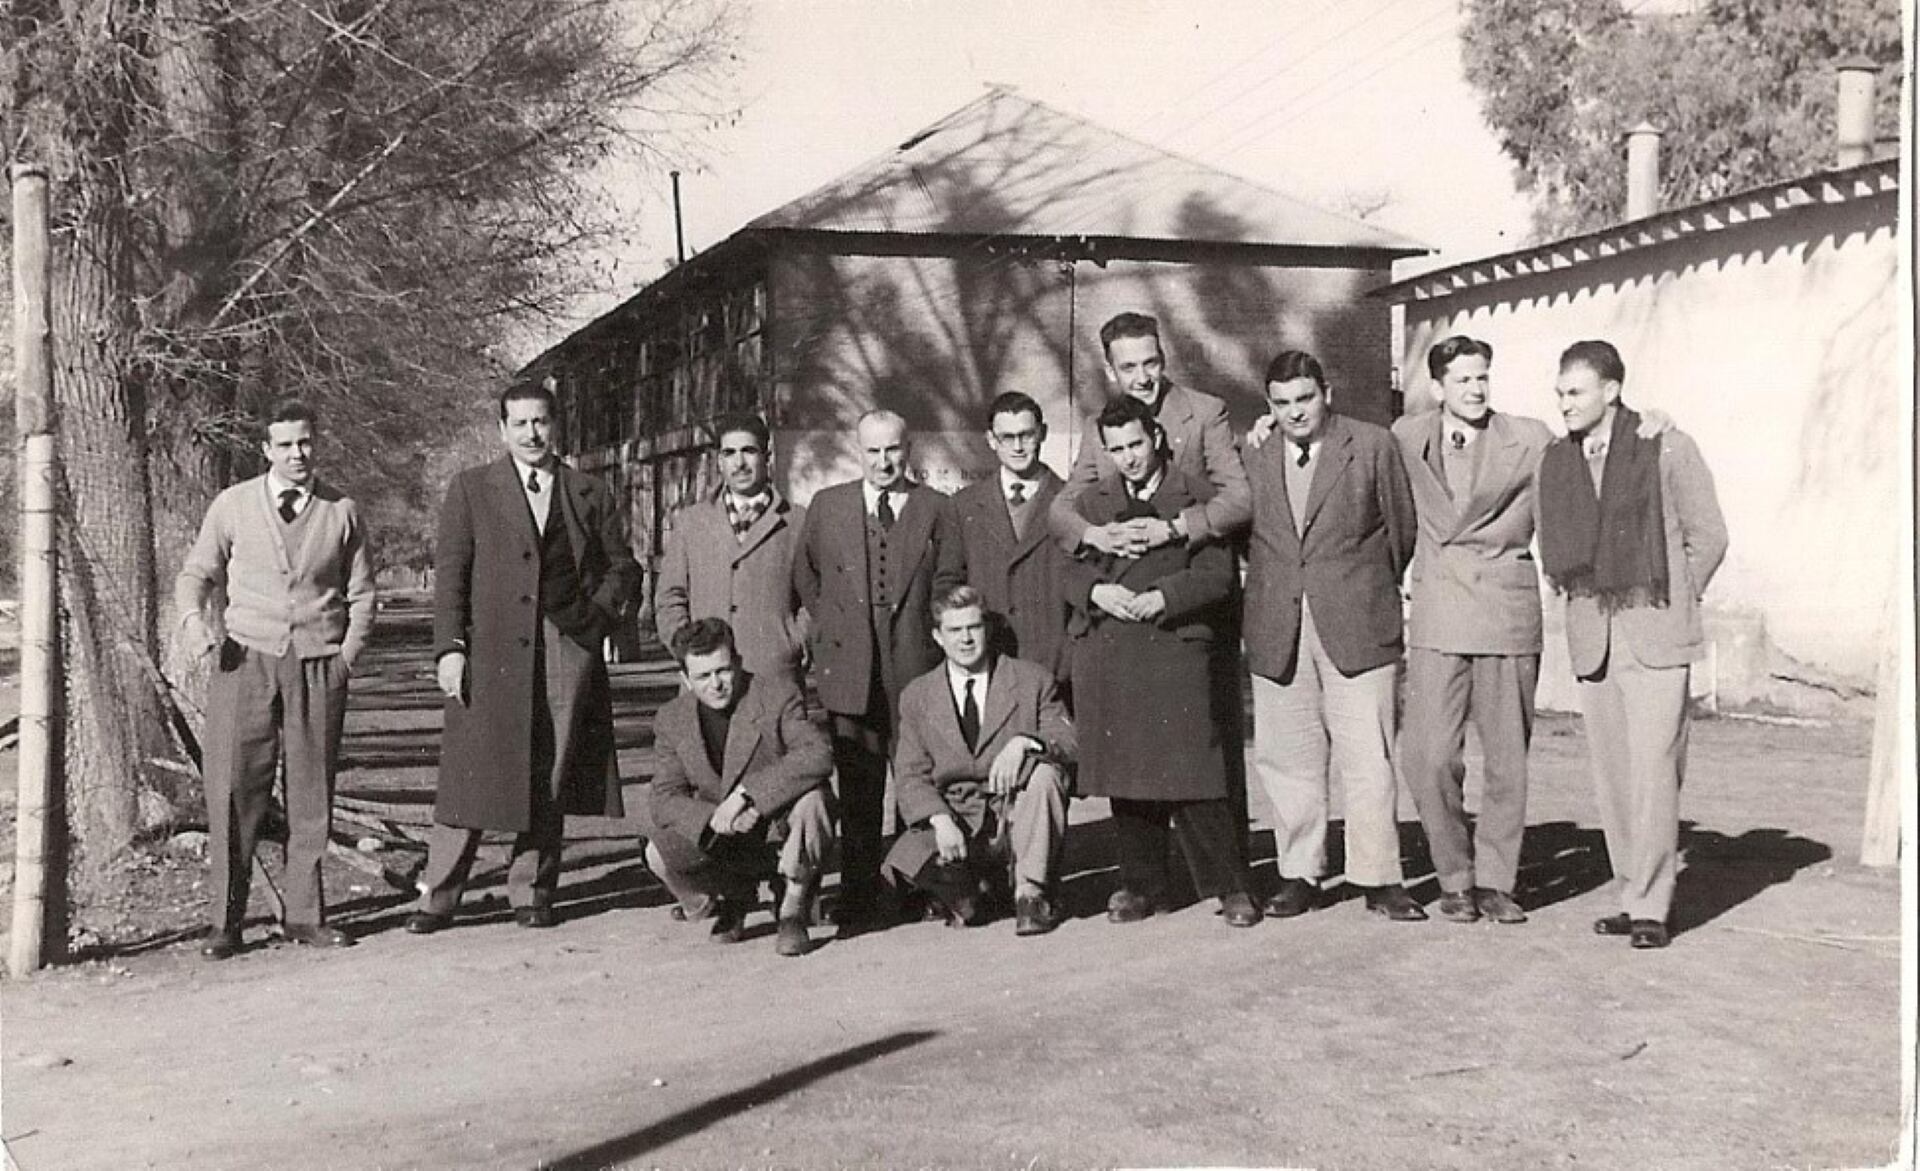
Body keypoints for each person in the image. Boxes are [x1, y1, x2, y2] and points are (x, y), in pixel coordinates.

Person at [408, 383, 641, 934]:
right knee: (474, 770)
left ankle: (532, 889)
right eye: (520, 424)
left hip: (567, 643)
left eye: (541, 422)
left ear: (555, 425)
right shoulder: (472, 490)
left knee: (552, 766)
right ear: (502, 429)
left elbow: (623, 566)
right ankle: (438, 897)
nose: (532, 434)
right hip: (491, 652)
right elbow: (452, 580)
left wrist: (597, 618)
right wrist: (450, 649)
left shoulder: (588, 491)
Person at [1538, 341, 1726, 950]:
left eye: (1576, 392)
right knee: (1615, 779)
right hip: (1595, 638)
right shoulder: (1558, 459)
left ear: (1611, 390)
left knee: (1654, 774)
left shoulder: (1665, 445)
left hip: (1655, 635)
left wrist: (1669, 597)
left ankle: (1652, 904)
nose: (1564, 403)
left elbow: (1709, 536)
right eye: (1560, 392)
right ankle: (1633, 893)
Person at [177, 400, 376, 959]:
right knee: (235, 788)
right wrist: (197, 629)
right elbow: (196, 574)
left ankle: (305, 916)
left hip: (318, 663)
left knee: (312, 791)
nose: (297, 453)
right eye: (285, 445)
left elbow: (363, 595)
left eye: (305, 442)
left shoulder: (342, 511)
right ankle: (225, 921)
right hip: (245, 662)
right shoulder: (233, 505)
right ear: (266, 451)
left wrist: (345, 658)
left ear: (317, 444)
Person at [1063, 396, 1261, 928]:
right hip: (1115, 652)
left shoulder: (1194, 496)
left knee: (1196, 772)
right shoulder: (1092, 504)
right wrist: (1096, 593)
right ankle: (1142, 884)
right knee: (1128, 778)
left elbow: (1218, 576)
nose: (1129, 458)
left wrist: (1164, 598)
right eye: (1117, 449)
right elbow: (1062, 570)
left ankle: (1230, 886)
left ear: (1156, 438)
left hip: (1176, 648)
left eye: (1136, 444)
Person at [1242, 351, 1421, 922]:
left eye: (1305, 398)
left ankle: (1378, 877)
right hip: (1279, 622)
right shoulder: (1257, 451)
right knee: (1287, 757)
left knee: (1368, 755)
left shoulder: (1371, 445)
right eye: (1282, 402)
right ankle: (1300, 872)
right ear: (1269, 405)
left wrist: (1360, 589)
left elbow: (1402, 531)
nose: (1295, 412)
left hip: (1357, 621)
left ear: (1327, 393)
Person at [1392, 336, 1555, 926]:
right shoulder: (1407, 438)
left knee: (1508, 761)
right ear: (1438, 387)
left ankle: (1495, 882)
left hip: (1506, 611)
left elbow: (1586, 464)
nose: (1477, 390)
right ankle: (1453, 873)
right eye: (1463, 380)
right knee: (1428, 755)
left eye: (1483, 377)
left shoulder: (1531, 439)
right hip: (1438, 611)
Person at [791, 409, 965, 933]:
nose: (884, 461)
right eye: (873, 451)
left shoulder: (937, 508)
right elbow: (807, 575)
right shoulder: (829, 506)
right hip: (851, 665)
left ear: (909, 450)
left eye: (894, 450)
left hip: (914, 659)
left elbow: (951, 578)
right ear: (857, 451)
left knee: (920, 779)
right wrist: (837, 627)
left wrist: (929, 639)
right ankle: (859, 895)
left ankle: (922, 884)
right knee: (859, 788)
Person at [886, 585, 1077, 936]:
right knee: (905, 862)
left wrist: (1025, 741)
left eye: (973, 627)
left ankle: (1030, 895)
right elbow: (910, 775)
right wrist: (940, 819)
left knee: (1046, 775)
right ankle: (970, 893)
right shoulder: (917, 696)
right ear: (938, 637)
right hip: (956, 822)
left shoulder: (1030, 679)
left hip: (1012, 815)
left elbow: (1068, 739)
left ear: (986, 629)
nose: (966, 640)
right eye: (954, 631)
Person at [644, 618, 834, 957]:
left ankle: (793, 907)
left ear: (738, 663)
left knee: (814, 800)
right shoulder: (672, 719)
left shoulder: (776, 695)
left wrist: (748, 797)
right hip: (721, 834)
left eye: (724, 670)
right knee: (656, 854)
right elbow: (663, 797)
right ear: (685, 679)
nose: (716, 684)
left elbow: (817, 754)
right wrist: (717, 817)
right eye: (703, 677)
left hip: (777, 825)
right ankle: (727, 898)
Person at [654, 413, 809, 686]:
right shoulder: (692, 521)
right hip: (707, 679)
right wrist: (688, 652)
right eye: (729, 453)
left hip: (773, 675)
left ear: (766, 456)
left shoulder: (796, 521)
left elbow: (815, 598)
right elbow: (670, 597)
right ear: (719, 461)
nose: (739, 463)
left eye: (748, 451)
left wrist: (794, 643)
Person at [951, 392, 1073, 684]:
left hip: (1055, 666)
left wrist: (1068, 654)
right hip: (988, 662)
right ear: (991, 440)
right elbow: (951, 581)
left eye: (1027, 435)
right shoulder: (964, 505)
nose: (1017, 447)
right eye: (1007, 437)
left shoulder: (1072, 501)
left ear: (1042, 434)